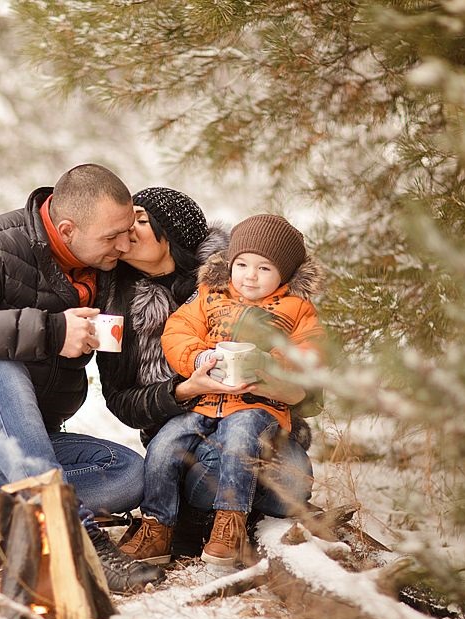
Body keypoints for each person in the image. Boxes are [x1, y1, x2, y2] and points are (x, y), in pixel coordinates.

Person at [0, 163, 164, 592]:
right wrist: (51, 331)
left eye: (127, 230)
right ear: (67, 227)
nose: (124, 244)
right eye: (112, 237)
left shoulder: (106, 269)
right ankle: (72, 533)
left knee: (130, 473)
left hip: (22, 443)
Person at [95, 191, 319, 563]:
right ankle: (166, 523)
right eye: (123, 222)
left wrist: (273, 374)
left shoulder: (257, 278)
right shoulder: (120, 300)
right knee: (183, 456)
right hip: (191, 424)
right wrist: (187, 385)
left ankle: (223, 519)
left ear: (173, 233)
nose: (126, 229)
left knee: (292, 478)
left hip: (257, 419)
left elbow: (311, 379)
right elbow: (123, 400)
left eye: (140, 220)